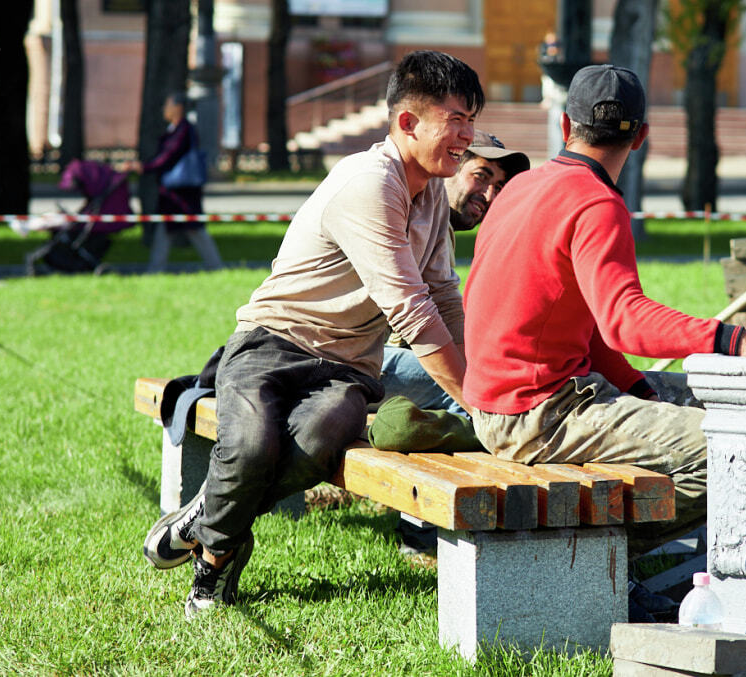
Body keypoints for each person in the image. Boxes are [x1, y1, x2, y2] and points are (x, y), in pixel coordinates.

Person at [141, 50, 484, 618]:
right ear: (407, 122)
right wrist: (477, 399)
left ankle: (207, 519)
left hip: (348, 368)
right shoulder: (369, 183)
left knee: (322, 439)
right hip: (272, 344)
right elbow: (411, 309)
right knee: (251, 445)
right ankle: (214, 569)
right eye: (456, 120)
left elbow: (444, 296)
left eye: (471, 119)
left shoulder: (429, 195)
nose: (467, 135)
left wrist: (481, 375)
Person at [460, 64, 746, 564]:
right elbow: (624, 321)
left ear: (566, 127)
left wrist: (640, 390)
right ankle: (588, 563)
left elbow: (587, 328)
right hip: (538, 416)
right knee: (740, 451)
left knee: (695, 417)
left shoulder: (519, 189)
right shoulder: (595, 202)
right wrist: (733, 339)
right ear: (641, 138)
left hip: (495, 405)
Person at [378, 129, 531, 415]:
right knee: (489, 393)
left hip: (373, 358)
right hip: (345, 359)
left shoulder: (438, 225)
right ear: (449, 169)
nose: (489, 196)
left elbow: (447, 310)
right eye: (481, 177)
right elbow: (411, 323)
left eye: (498, 187)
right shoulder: (413, 214)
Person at [127, 92, 223, 273]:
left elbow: (168, 155)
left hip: (183, 190)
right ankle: (156, 269)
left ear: (178, 108)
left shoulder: (184, 129)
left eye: (167, 105)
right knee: (167, 228)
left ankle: (215, 267)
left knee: (193, 228)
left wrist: (145, 167)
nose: (164, 109)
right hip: (173, 191)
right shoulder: (175, 129)